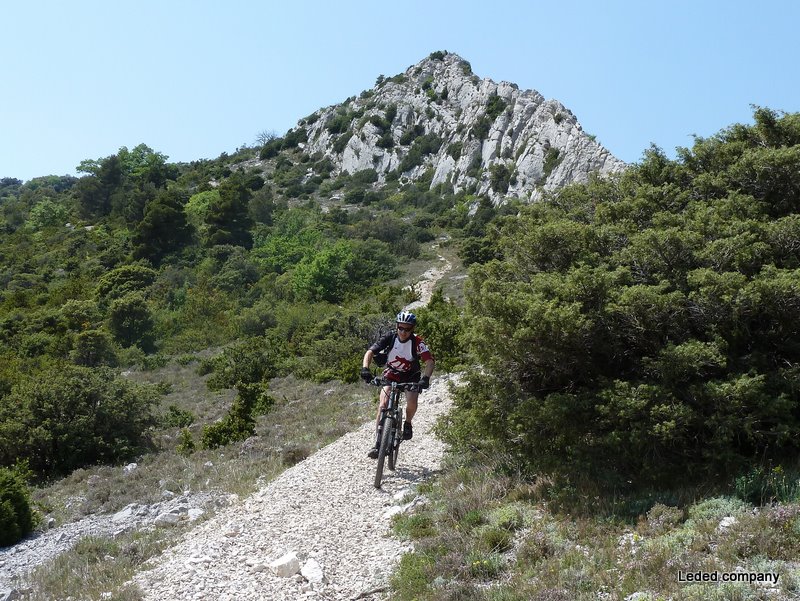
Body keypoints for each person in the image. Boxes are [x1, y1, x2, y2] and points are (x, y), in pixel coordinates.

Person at [360, 311, 435, 459]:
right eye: (401, 328)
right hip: (392, 372)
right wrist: (365, 369)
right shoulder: (390, 337)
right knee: (383, 405)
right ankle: (377, 443)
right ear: (397, 326)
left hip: (411, 375)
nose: (403, 332)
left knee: (412, 400)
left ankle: (407, 423)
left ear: (412, 329)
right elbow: (370, 352)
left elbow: (430, 361)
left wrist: (425, 378)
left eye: (407, 329)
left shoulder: (418, 342)